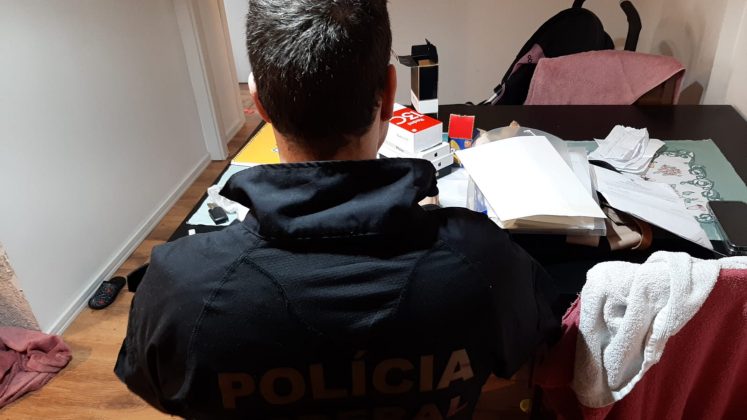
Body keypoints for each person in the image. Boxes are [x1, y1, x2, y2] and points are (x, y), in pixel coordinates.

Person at [115, 0, 560, 418]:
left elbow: (157, 384)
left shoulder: (180, 291)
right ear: (389, 92)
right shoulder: (483, 262)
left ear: (259, 102)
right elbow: (537, 338)